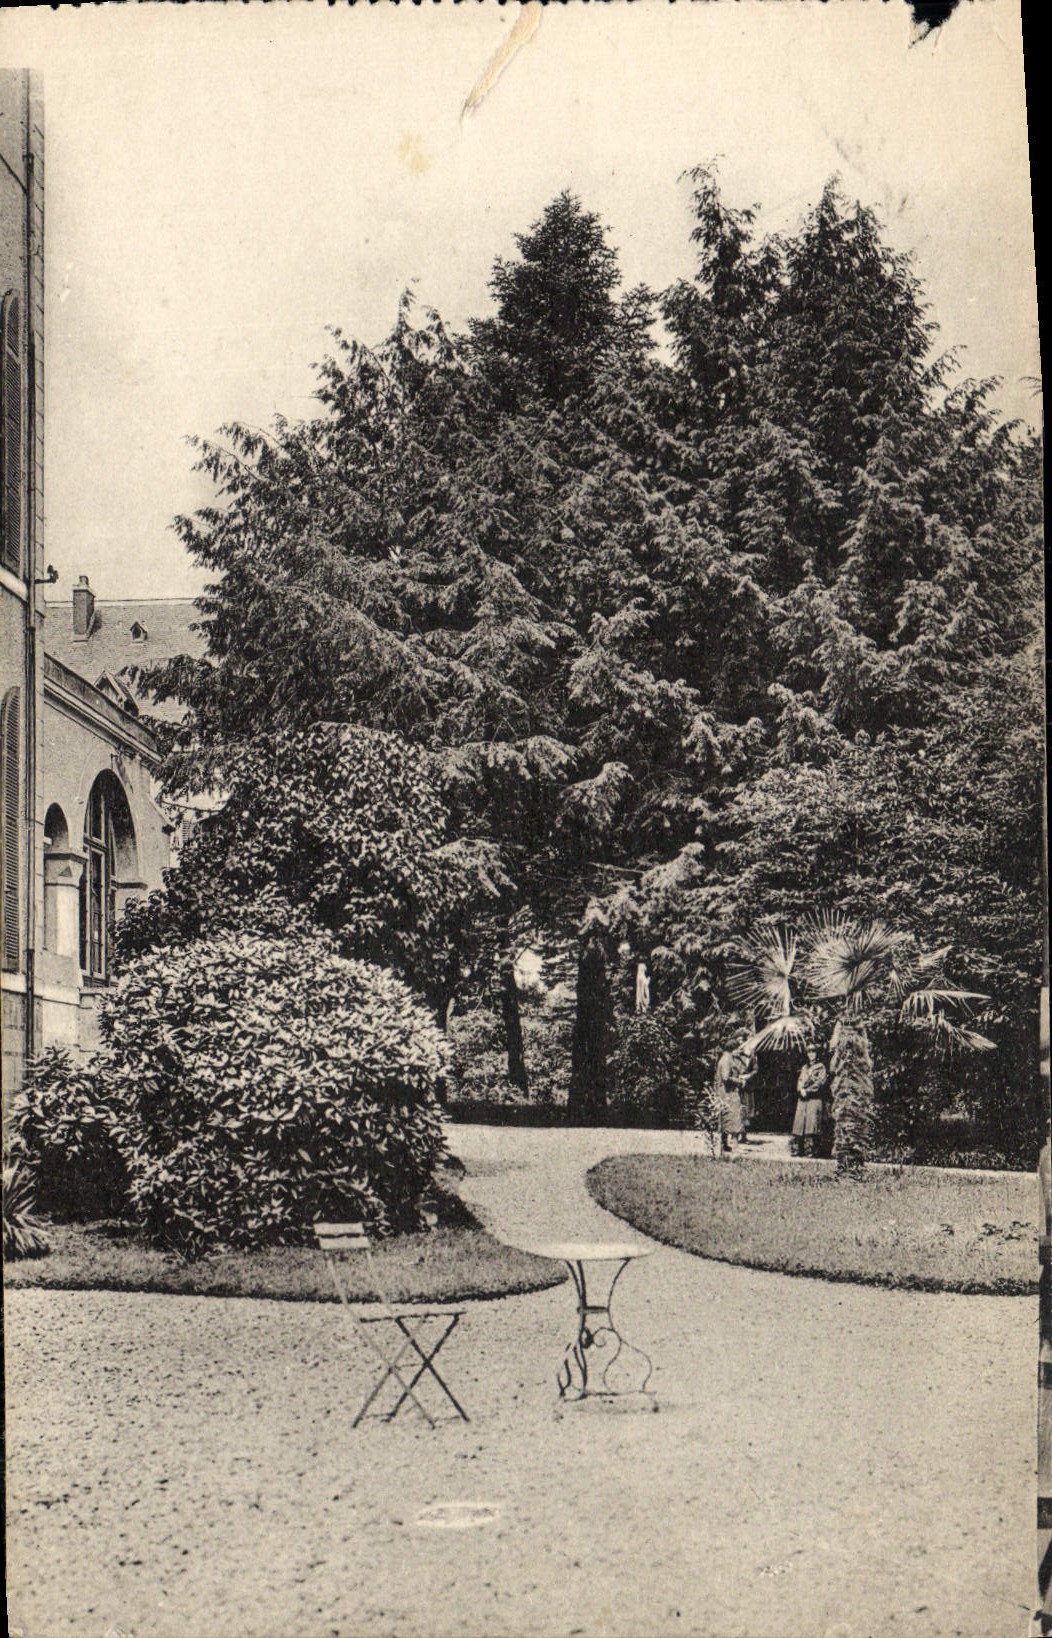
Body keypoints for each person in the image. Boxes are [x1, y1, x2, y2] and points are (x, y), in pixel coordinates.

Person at [790, 1057, 828, 1157]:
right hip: (803, 1098)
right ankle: (797, 1149)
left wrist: (808, 1090)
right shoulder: (804, 1068)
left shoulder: (821, 1068)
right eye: (809, 1052)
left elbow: (820, 1082)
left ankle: (810, 1150)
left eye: (813, 1051)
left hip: (813, 1098)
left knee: (812, 1125)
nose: (811, 1055)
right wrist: (801, 1089)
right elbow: (800, 1080)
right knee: (799, 1124)